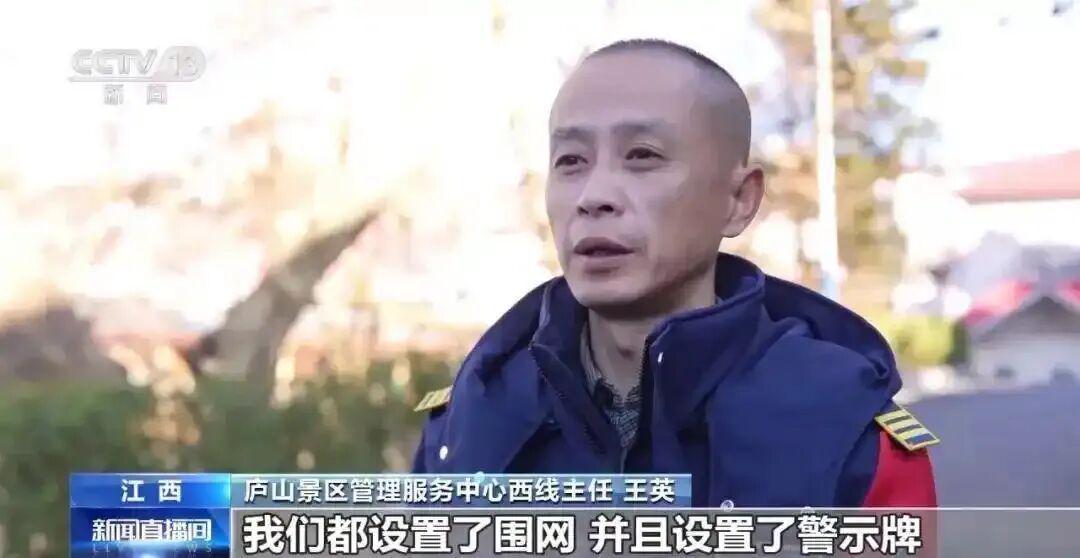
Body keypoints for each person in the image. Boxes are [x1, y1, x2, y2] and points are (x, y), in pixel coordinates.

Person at [412, 38, 938, 507]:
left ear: (739, 199)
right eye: (571, 161)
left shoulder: (847, 435)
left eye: (642, 155)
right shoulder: (471, 422)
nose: (594, 196)